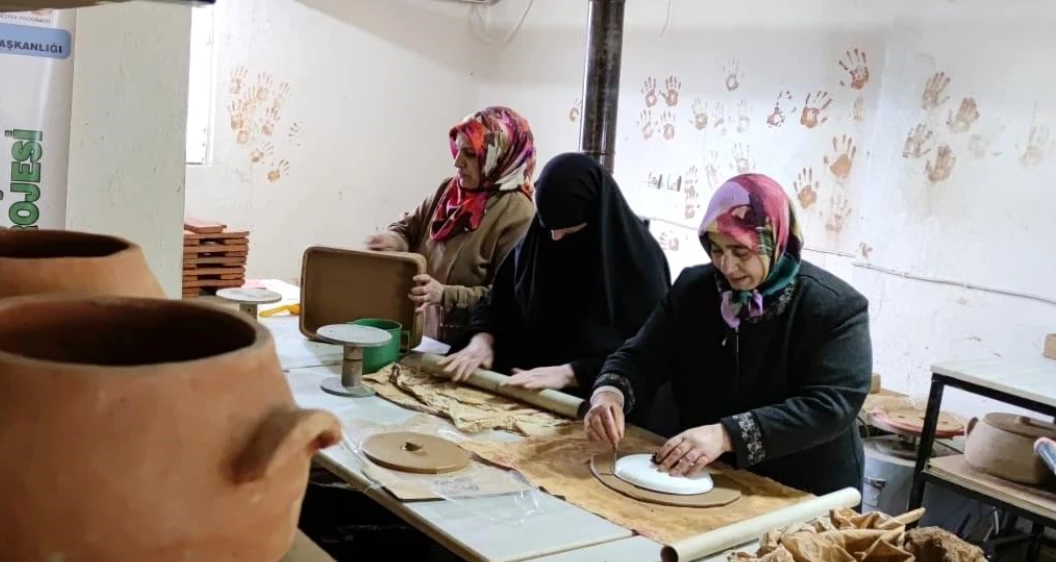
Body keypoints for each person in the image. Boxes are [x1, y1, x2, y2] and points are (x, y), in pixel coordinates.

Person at [585, 173, 871, 496]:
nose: (727, 266)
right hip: (714, 476)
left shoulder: (833, 308)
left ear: (774, 240)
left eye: (741, 251)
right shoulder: (694, 291)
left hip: (803, 487)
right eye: (716, 250)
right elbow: (639, 357)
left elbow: (828, 405)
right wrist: (609, 394)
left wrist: (727, 435)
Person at [438, 152, 672, 404]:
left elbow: (647, 353)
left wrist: (572, 373)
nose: (556, 238)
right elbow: (498, 302)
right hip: (518, 386)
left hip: (590, 400)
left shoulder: (638, 263)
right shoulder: (539, 238)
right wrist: (482, 340)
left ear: (596, 216)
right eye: (548, 227)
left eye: (569, 230)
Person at [366, 105, 536, 344]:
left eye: (470, 154)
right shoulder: (450, 190)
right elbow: (408, 227)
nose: (457, 162)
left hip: (467, 347)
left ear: (498, 156)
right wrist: (394, 240)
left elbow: (507, 296)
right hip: (422, 334)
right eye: (457, 149)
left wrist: (445, 294)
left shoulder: (517, 212)